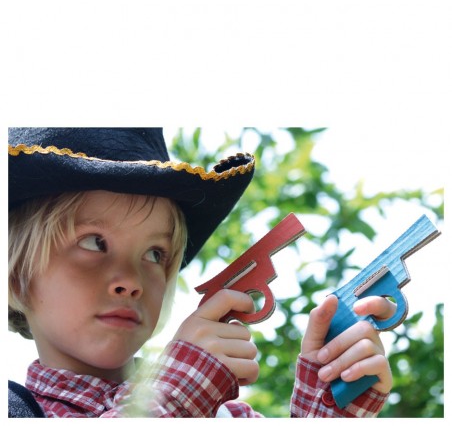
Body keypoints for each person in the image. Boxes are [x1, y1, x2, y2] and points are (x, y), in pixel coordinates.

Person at [8, 127, 394, 418]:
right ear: (14, 275)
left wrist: (324, 406)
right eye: (95, 243)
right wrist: (177, 392)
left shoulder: (226, 414)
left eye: (156, 254)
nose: (130, 281)